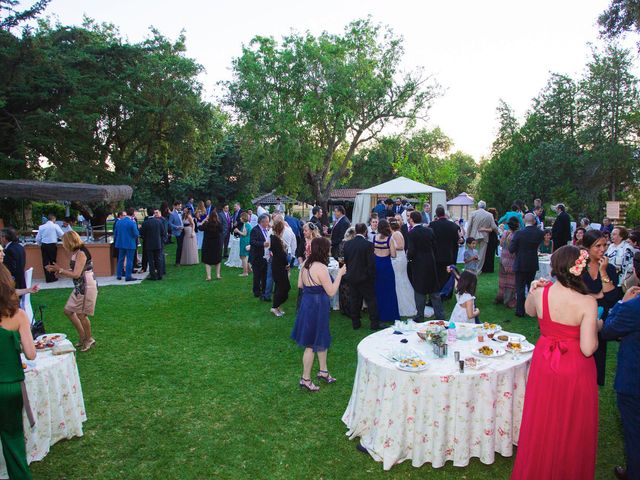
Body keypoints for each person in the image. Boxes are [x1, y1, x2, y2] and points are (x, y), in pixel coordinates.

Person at [510, 246, 599, 480]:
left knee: (542, 417)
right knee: (571, 423)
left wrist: (532, 290)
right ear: (578, 268)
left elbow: (530, 312)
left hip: (544, 362)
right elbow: (588, 348)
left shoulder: (542, 292)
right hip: (574, 367)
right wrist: (596, 327)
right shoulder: (587, 302)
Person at [601, 255, 640, 480]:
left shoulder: (632, 307)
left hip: (634, 379)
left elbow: (607, 331)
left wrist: (621, 304)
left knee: (634, 432)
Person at [290, 237, 345, 392]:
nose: (329, 251)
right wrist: (340, 273)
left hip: (307, 303)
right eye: (328, 248)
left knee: (321, 337)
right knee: (310, 343)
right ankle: (305, 379)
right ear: (323, 250)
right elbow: (332, 291)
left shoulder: (306, 264)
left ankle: (323, 371)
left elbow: (300, 285)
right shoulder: (321, 267)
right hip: (317, 305)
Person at [0, 264, 36, 480]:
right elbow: (31, 354)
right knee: (13, 439)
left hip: (9, 382)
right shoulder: (18, 315)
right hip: (11, 385)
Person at [582, 229, 623, 386]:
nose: (602, 249)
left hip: (600, 318)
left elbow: (612, 298)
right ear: (587, 247)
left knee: (597, 353)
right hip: (580, 315)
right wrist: (597, 295)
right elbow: (573, 292)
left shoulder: (609, 268)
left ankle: (592, 383)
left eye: (605, 245)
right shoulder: (579, 266)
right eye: (597, 246)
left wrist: (603, 272)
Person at [46, 231, 98, 351]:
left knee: (81, 314)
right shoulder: (76, 252)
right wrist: (58, 270)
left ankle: (89, 339)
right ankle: (83, 336)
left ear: (69, 241)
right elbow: (75, 270)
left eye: (64, 242)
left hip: (86, 286)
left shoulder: (81, 253)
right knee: (68, 311)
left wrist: (60, 270)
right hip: (80, 286)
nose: (63, 245)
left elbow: (76, 274)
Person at [343, 223, 382, 330]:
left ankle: (355, 323)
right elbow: (371, 263)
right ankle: (374, 323)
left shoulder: (347, 244)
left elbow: (346, 261)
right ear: (365, 231)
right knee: (371, 300)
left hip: (352, 276)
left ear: (356, 231)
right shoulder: (368, 245)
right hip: (365, 278)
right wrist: (371, 276)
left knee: (354, 300)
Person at [407, 211, 444, 321]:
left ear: (412, 220)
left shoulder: (411, 233)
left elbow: (411, 250)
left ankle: (419, 316)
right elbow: (435, 246)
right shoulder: (429, 231)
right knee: (434, 290)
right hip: (430, 262)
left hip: (418, 264)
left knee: (419, 290)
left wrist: (409, 258)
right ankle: (440, 315)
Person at [509, 213, 545, 317]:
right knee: (531, 286)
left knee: (520, 287)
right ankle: (532, 308)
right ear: (534, 221)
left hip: (521, 262)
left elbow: (511, 249)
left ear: (524, 221)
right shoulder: (539, 233)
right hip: (532, 262)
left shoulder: (519, 233)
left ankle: (520, 311)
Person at [372, 219, 400, 323]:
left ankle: (380, 315)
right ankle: (391, 314)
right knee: (389, 291)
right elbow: (393, 255)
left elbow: (373, 252)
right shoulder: (390, 239)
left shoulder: (375, 238)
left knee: (378, 291)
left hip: (377, 265)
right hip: (386, 266)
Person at [389, 218, 417, 317]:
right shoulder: (397, 233)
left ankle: (403, 305)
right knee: (401, 279)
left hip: (399, 258)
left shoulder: (396, 234)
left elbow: (401, 246)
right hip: (399, 258)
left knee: (399, 279)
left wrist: (389, 246)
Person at [430, 206, 461, 289]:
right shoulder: (453, 226)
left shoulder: (432, 225)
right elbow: (457, 240)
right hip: (449, 254)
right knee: (449, 274)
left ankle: (439, 288)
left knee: (438, 274)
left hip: (436, 255)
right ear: (444, 213)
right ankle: (448, 291)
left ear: (436, 214)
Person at [466, 200, 499, 273]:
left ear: (478, 206)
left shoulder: (473, 213)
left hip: (474, 235)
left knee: (471, 252)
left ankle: (470, 268)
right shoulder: (489, 215)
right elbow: (493, 226)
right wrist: (498, 232)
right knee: (481, 254)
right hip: (484, 236)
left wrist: (467, 236)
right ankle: (478, 269)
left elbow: (469, 226)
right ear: (485, 207)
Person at [496, 217, 520, 308]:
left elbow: (501, 244)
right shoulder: (516, 235)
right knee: (511, 282)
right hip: (512, 260)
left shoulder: (505, 233)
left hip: (503, 258)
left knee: (502, 281)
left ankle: (500, 297)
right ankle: (509, 301)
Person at [269, 221, 290, 317]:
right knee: (283, 287)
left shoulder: (275, 238)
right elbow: (281, 255)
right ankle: (274, 307)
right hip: (279, 266)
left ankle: (277, 306)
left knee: (281, 287)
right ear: (280, 229)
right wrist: (287, 263)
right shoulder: (275, 239)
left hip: (278, 265)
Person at [35, 214, 64, 283]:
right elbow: (62, 234)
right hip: (52, 245)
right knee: (52, 261)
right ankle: (53, 277)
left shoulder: (42, 227)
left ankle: (48, 278)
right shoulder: (55, 226)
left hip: (44, 245)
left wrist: (39, 244)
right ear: (53, 219)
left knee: (45, 262)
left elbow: (38, 238)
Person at [139, 207, 166, 281]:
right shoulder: (159, 222)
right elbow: (163, 232)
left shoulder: (145, 223)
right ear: (154, 213)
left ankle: (153, 275)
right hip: (158, 243)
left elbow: (142, 233)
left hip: (149, 244)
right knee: (158, 259)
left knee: (151, 260)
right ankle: (160, 274)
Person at [114, 208, 139, 281]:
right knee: (129, 260)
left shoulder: (119, 222)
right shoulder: (132, 222)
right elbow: (136, 233)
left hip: (120, 243)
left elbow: (115, 233)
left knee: (120, 259)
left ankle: (119, 275)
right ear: (133, 214)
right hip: (130, 243)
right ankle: (128, 276)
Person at [250, 215, 271, 299]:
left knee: (264, 274)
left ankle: (264, 290)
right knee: (257, 275)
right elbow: (252, 242)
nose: (268, 223)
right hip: (257, 256)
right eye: (266, 221)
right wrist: (262, 244)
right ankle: (256, 291)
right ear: (262, 222)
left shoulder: (266, 230)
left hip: (265, 256)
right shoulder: (255, 230)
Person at [200, 210, 223, 281]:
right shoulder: (218, 224)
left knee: (207, 260)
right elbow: (221, 230)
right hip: (216, 243)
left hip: (208, 244)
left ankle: (209, 276)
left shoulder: (206, 224)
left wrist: (204, 220)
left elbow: (200, 228)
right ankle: (218, 275)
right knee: (218, 259)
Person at [337, 227, 355, 317]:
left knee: (343, 289)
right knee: (349, 290)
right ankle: (350, 309)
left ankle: (344, 309)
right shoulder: (350, 244)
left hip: (343, 268)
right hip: (350, 268)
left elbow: (340, 258)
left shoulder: (342, 243)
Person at [482, 208, 500, 273]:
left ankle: (487, 268)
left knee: (488, 253)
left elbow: (492, 229)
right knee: (490, 254)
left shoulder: (492, 221)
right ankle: (489, 268)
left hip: (490, 238)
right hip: (493, 238)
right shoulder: (494, 221)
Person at [236, 212, 252, 277]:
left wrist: (237, 231)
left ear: (243, 218)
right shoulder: (247, 224)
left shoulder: (246, 225)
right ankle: (249, 269)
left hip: (245, 241)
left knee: (243, 257)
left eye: (241, 217)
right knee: (245, 256)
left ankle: (245, 272)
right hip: (246, 241)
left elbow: (244, 234)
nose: (240, 218)